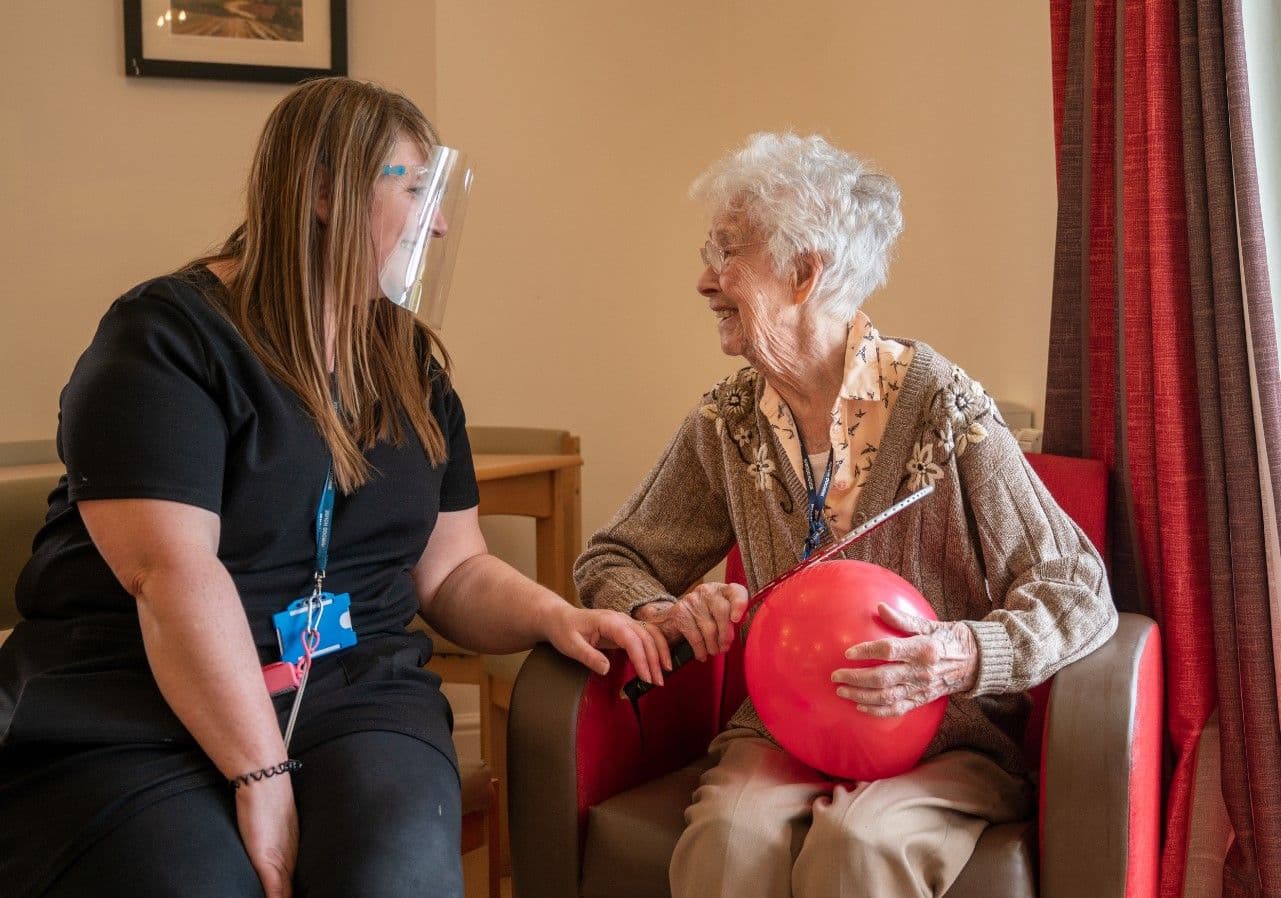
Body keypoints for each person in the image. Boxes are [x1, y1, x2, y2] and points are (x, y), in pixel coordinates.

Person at [0, 77, 666, 898]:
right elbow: (171, 577)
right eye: (414, 187)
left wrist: (556, 615)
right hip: (134, 696)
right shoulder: (165, 341)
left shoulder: (407, 363)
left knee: (390, 874)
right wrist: (261, 778)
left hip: (351, 692)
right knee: (201, 882)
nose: (441, 219)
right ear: (322, 189)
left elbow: (452, 571)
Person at [574, 132, 1118, 898]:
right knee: (728, 836)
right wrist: (664, 611)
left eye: (726, 252)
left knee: (858, 845)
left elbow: (1075, 588)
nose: (704, 279)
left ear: (804, 273)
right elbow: (611, 558)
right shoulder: (728, 422)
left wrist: (960, 656)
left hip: (940, 736)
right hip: (783, 726)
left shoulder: (941, 405)